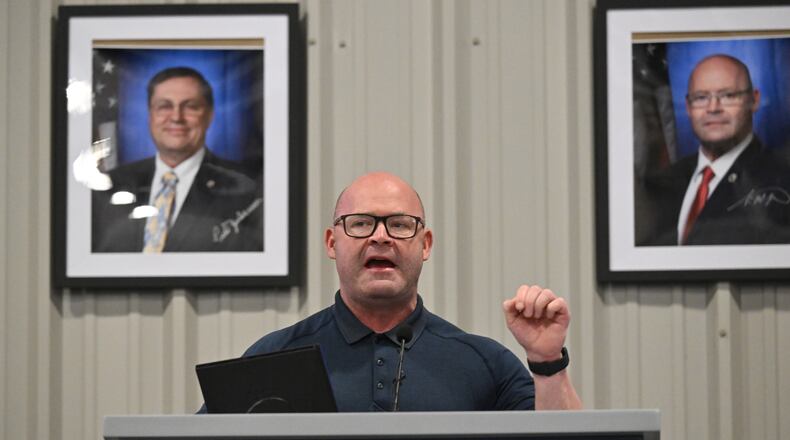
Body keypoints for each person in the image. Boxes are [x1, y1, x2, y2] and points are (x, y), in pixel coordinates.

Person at [205, 172, 582, 412]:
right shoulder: (273, 357)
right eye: (361, 224)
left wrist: (547, 362)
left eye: (400, 224)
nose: (380, 236)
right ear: (332, 243)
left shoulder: (484, 363)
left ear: (426, 244)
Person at [91, 66, 262, 252]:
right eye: (164, 106)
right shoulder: (109, 185)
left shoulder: (247, 188)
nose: (176, 117)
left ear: (209, 115)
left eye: (190, 106)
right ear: (150, 115)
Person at [636, 54, 790, 246]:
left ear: (754, 100)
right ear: (688, 107)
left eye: (728, 95)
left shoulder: (782, 178)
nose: (713, 108)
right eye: (701, 98)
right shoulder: (662, 182)